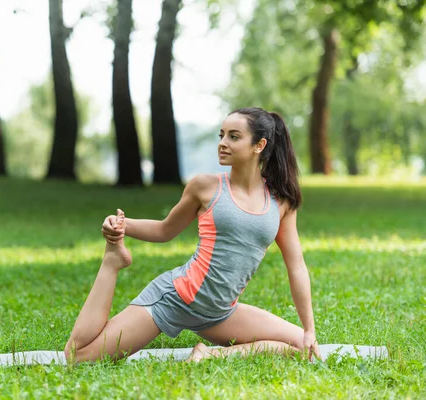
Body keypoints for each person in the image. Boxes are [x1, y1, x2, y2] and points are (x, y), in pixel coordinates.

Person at [64, 107, 321, 364]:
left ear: (259, 145)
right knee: (78, 357)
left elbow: (296, 266)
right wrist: (122, 225)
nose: (222, 143)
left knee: (303, 346)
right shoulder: (206, 186)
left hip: (220, 312)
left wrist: (309, 328)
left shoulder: (281, 201)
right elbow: (165, 230)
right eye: (221, 135)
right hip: (174, 299)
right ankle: (112, 262)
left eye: (234, 137)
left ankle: (209, 356)